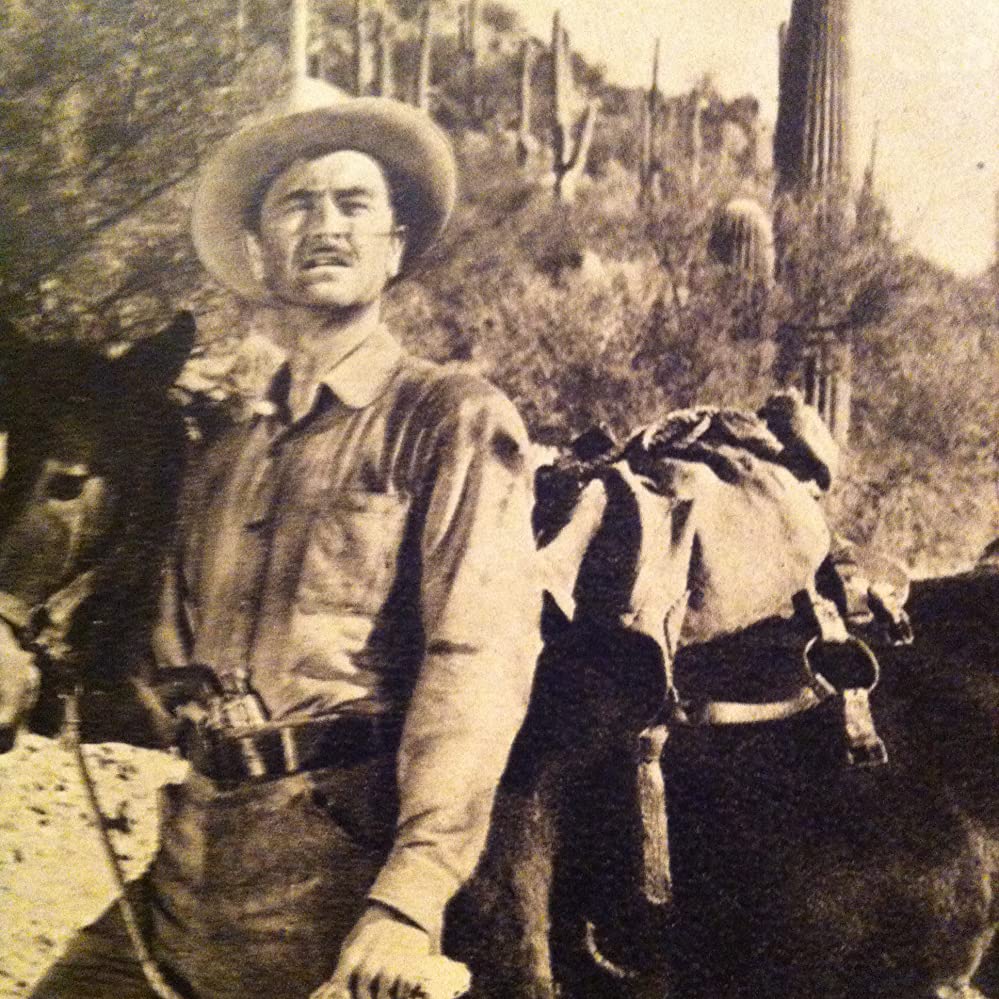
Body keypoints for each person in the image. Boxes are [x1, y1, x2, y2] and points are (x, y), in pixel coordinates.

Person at [32, 78, 542, 999]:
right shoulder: (225, 454)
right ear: (258, 250)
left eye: (354, 203)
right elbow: (159, 675)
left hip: (343, 865)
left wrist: (409, 899)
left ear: (394, 246)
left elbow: (477, 662)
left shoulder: (448, 417)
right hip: (193, 857)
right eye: (297, 203)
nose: (326, 225)